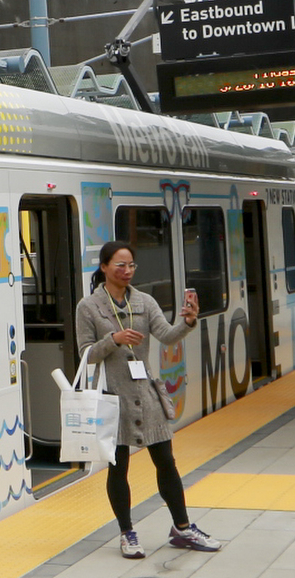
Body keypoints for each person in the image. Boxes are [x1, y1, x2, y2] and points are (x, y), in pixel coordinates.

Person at [75, 239, 222, 557]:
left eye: (131, 266)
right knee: (119, 467)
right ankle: (127, 533)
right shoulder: (88, 307)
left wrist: (188, 322)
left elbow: (167, 336)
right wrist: (113, 339)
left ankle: (183, 528)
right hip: (114, 397)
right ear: (103, 268)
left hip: (147, 394)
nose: (127, 271)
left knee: (166, 462)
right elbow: (85, 354)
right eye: (120, 265)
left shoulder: (144, 301)